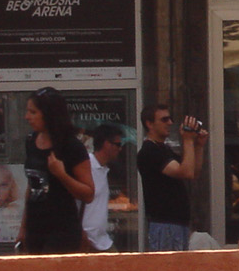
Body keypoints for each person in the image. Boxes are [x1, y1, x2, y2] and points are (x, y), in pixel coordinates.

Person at [17, 86, 95, 255]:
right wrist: (23, 228)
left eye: (33, 112)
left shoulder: (71, 146)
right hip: (35, 227)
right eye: (27, 111)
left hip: (61, 228)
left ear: (48, 114)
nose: (27, 117)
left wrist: (61, 175)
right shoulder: (31, 141)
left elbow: (88, 194)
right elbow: (32, 187)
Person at [138, 104, 205, 252]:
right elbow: (185, 172)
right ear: (149, 124)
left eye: (170, 119)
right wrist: (187, 140)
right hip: (164, 224)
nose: (170, 123)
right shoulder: (149, 151)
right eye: (164, 119)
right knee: (167, 266)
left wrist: (199, 146)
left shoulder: (165, 149)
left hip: (178, 223)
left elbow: (193, 172)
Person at [82, 123, 125, 252]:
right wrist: (82, 236)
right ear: (106, 144)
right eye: (118, 144)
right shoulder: (86, 167)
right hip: (87, 241)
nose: (120, 149)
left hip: (101, 240)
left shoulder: (104, 169)